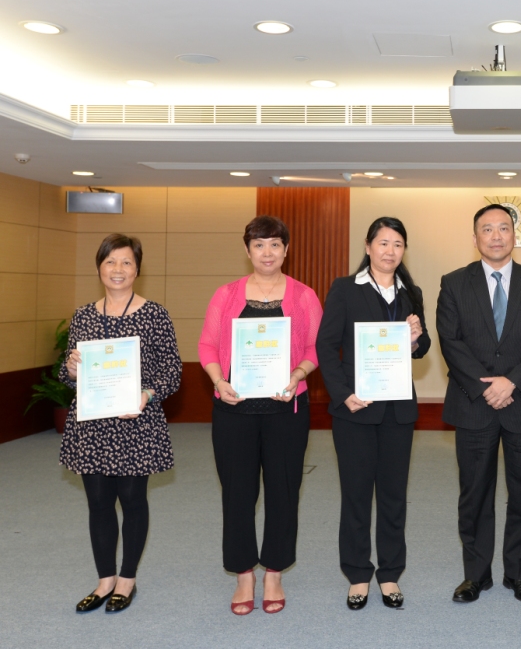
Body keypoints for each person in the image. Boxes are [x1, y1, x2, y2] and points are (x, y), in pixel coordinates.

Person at [436, 204, 521, 604]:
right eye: (486, 229)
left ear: (514, 235)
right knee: (474, 494)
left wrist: (513, 382)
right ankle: (475, 575)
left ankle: (519, 575)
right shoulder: (454, 283)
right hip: (474, 403)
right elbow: (449, 340)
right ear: (475, 238)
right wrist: (485, 385)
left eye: (503, 228)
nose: (495, 236)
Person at [199, 215, 323, 615]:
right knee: (237, 491)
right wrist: (219, 381)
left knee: (284, 489)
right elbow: (207, 345)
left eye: (274, 244)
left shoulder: (304, 296)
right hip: (234, 407)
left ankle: (273, 571)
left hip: (286, 407)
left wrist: (298, 374)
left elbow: (315, 350)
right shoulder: (226, 294)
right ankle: (243, 575)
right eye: (258, 245)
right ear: (247, 250)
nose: (267, 252)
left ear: (286, 250)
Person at [60, 233, 182, 614]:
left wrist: (145, 396)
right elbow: (70, 374)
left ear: (137, 269)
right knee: (98, 504)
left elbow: (172, 371)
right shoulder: (83, 315)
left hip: (136, 425)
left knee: (132, 501)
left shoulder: (154, 314)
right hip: (92, 427)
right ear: (99, 267)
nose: (118, 269)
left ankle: (127, 579)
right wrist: (70, 368)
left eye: (126, 262)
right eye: (111, 261)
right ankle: (104, 580)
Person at [316, 217, 430, 610]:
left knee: (395, 496)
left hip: (398, 410)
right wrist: (343, 393)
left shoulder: (410, 291)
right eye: (383, 243)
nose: (390, 251)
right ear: (368, 247)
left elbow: (422, 346)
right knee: (357, 495)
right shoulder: (345, 289)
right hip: (355, 410)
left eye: (398, 244)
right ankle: (358, 574)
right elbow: (326, 346)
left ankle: (391, 574)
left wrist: (415, 338)